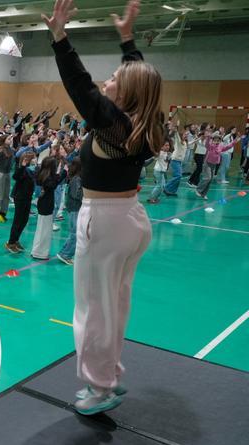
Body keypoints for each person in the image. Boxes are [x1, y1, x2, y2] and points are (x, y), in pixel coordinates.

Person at [44, 0, 163, 415]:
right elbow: (140, 82)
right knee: (115, 303)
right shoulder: (144, 121)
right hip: (131, 220)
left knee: (93, 308)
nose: (106, 81)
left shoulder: (114, 125)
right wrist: (128, 41)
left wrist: (60, 37)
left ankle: (99, 387)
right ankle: (108, 372)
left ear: (125, 94)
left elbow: (81, 88)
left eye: (114, 78)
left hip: (106, 223)